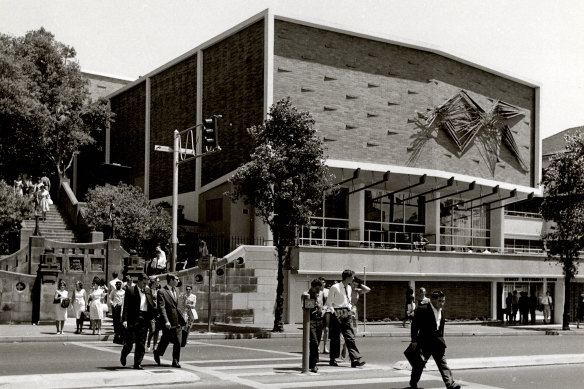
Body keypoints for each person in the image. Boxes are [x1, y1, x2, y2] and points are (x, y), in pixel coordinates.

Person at [408, 290, 461, 389]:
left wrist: (442, 340)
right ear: (432, 300)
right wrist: (414, 340)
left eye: (443, 301)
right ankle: (413, 383)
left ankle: (450, 384)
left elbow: (441, 328)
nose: (442, 303)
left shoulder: (442, 311)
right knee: (419, 365)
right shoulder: (422, 309)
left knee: (443, 364)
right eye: (439, 301)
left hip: (437, 343)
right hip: (425, 343)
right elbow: (415, 326)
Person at [325, 269, 366, 368]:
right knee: (335, 337)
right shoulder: (335, 287)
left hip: (346, 312)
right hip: (337, 311)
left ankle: (354, 359)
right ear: (347, 277)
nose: (353, 278)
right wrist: (333, 312)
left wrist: (349, 308)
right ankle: (333, 358)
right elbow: (329, 302)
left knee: (350, 336)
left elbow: (348, 300)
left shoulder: (349, 287)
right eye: (352, 277)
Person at [120, 273, 156, 370]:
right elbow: (126, 306)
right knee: (130, 343)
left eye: (146, 283)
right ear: (139, 281)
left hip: (144, 319)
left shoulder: (148, 291)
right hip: (133, 319)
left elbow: (151, 305)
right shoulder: (131, 290)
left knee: (141, 342)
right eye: (144, 283)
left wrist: (153, 316)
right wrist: (125, 320)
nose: (145, 285)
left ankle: (137, 363)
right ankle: (124, 354)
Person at [154, 273, 187, 368]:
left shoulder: (177, 289)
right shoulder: (162, 291)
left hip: (178, 320)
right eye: (176, 279)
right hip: (169, 321)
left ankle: (175, 361)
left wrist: (183, 317)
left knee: (178, 341)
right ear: (171, 280)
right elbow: (162, 307)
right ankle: (157, 352)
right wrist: (166, 321)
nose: (178, 281)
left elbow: (178, 305)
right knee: (166, 339)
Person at [341, 276, 370, 360]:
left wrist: (360, 285)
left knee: (353, 331)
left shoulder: (357, 291)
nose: (354, 286)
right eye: (353, 284)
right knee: (348, 331)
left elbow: (368, 289)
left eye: (355, 285)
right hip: (346, 310)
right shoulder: (346, 290)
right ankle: (346, 349)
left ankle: (349, 350)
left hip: (354, 311)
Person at [302, 278, 324, 373]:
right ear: (312, 287)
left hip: (320, 320)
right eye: (317, 289)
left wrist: (322, 310)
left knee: (317, 342)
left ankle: (312, 362)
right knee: (314, 342)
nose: (318, 291)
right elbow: (306, 308)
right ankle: (313, 364)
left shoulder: (322, 294)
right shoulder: (306, 294)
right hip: (310, 320)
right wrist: (314, 302)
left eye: (320, 289)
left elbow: (325, 304)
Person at [147, 277, 162, 352]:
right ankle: (149, 342)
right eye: (157, 281)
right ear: (153, 282)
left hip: (158, 312)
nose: (158, 282)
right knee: (152, 330)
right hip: (151, 312)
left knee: (157, 330)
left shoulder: (159, 291)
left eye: (159, 281)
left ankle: (155, 345)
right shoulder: (149, 291)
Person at [319, 277, 331, 354]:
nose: (322, 284)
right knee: (319, 329)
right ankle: (317, 346)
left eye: (323, 282)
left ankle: (325, 347)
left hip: (327, 311)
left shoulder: (328, 291)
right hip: (319, 311)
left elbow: (330, 301)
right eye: (321, 282)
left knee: (326, 329)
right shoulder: (317, 291)